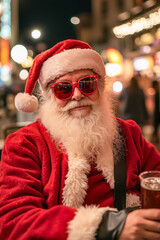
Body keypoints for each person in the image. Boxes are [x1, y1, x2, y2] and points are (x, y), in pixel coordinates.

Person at [0, 39, 160, 240]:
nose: (76, 95)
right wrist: (106, 227)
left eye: (86, 84)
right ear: (50, 96)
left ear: (99, 88)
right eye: (63, 89)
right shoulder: (24, 144)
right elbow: (14, 221)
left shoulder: (129, 133)